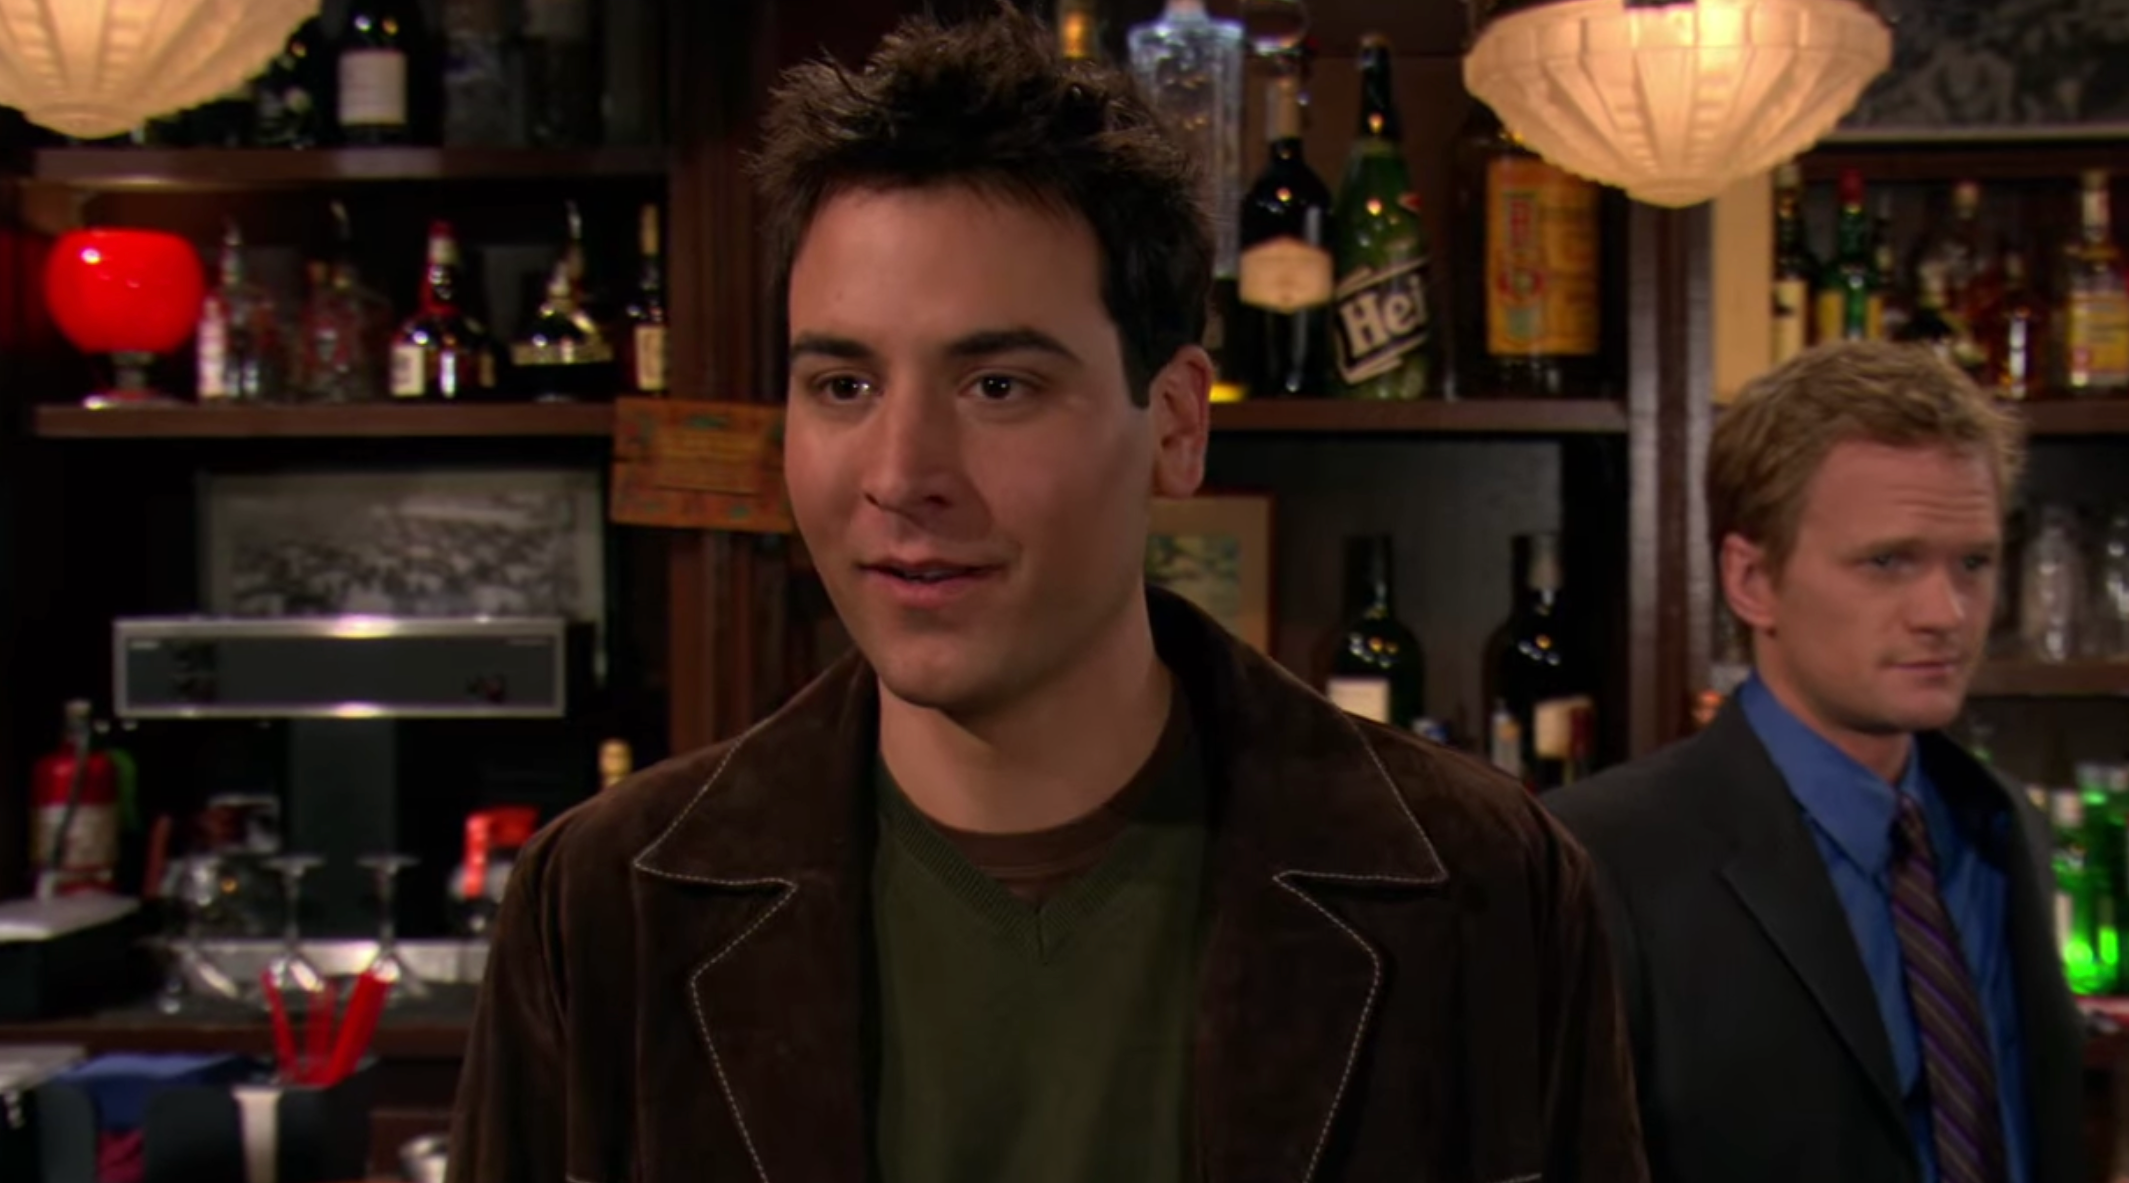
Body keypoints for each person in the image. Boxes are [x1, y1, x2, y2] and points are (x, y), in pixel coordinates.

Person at [450, 11, 1647, 1183]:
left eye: (998, 385)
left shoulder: (1478, 883)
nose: (900, 474)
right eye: (844, 385)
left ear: (1173, 423)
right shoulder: (606, 908)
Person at [1548, 341, 2085, 1183]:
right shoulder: (1597, 861)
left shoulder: (1998, 822)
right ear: (1751, 580)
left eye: (1972, 563)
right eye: (1887, 561)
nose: (1945, 612)